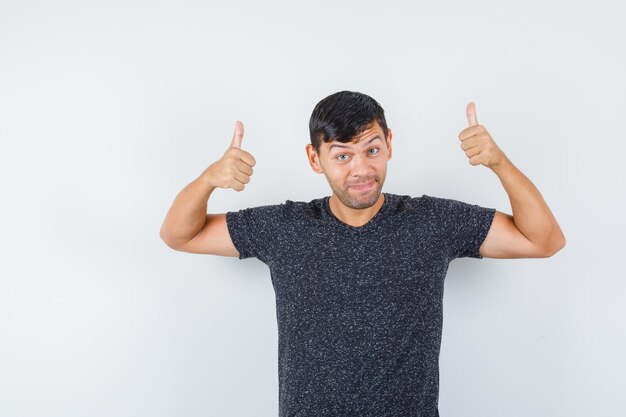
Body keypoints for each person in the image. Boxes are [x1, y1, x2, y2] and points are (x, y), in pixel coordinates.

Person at [159, 91, 566, 417]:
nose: (360, 170)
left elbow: (543, 240)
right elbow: (179, 234)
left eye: (371, 150)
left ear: (389, 145)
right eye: (341, 155)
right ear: (314, 158)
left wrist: (499, 163)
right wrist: (209, 178)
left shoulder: (433, 221)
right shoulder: (285, 227)